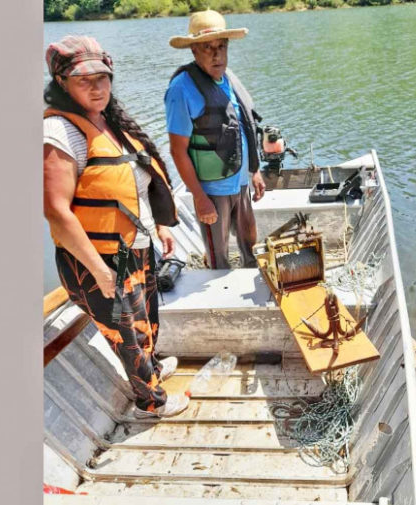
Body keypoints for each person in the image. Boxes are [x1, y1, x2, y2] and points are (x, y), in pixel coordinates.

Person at [43, 35, 189, 418]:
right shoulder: (59, 132)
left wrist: (160, 226)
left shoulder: (108, 122)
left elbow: (134, 182)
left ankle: (152, 371)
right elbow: (56, 211)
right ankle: (151, 403)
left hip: (132, 248)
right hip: (99, 259)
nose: (97, 88)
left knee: (146, 320)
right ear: (61, 83)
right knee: (127, 335)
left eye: (102, 78)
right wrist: (98, 270)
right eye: (84, 80)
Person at [165, 9, 267, 269]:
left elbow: (243, 126)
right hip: (212, 192)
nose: (216, 54)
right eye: (207, 47)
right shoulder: (181, 89)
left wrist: (254, 171)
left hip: (240, 183)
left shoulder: (229, 78)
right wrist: (200, 198)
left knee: (250, 247)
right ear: (194, 51)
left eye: (221, 46)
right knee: (218, 260)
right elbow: (177, 151)